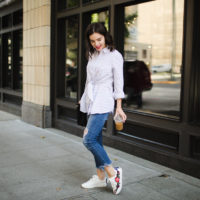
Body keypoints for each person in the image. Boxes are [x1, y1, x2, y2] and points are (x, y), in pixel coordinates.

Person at [79, 22, 127, 195]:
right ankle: (100, 178)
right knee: (96, 140)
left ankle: (112, 173)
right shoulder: (92, 55)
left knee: (88, 140)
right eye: (92, 41)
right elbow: (88, 81)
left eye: (99, 39)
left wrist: (119, 107)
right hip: (92, 100)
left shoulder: (115, 55)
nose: (96, 44)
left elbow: (119, 84)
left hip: (104, 99)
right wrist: (84, 101)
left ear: (105, 36)